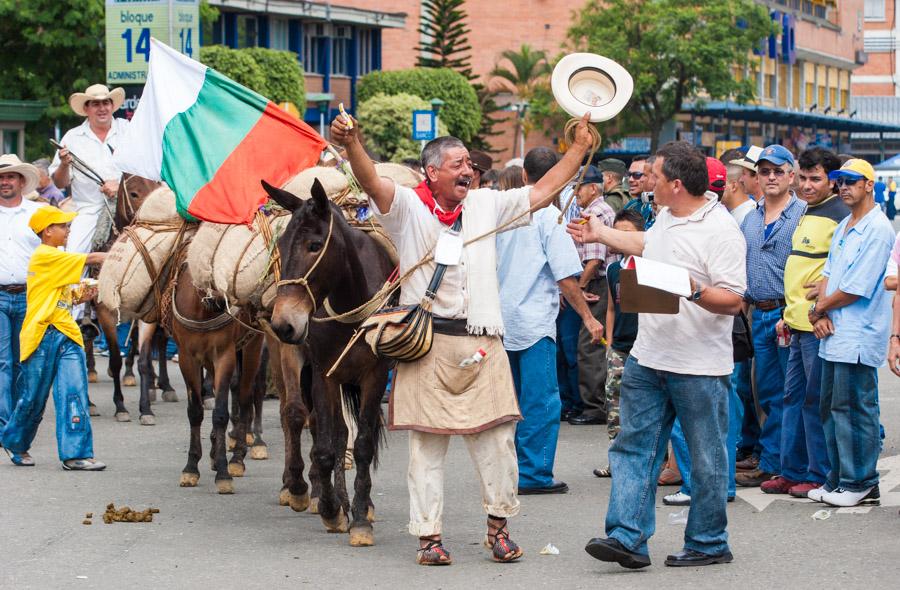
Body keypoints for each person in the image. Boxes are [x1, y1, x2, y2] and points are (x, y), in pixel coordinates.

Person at [329, 111, 595, 565]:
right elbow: (372, 182)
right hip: (426, 344)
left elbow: (544, 190)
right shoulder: (408, 207)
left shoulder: (487, 204)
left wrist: (579, 148)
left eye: (469, 163)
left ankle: (499, 531)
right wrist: (352, 143)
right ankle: (428, 539)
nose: (468, 170)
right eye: (457, 164)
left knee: (498, 444)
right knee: (426, 451)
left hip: (482, 342)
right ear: (432, 172)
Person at [570, 141, 746, 568]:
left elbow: (734, 300)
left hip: (699, 366)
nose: (647, 182)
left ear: (678, 184)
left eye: (655, 176)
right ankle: (627, 537)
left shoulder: (721, 229)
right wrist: (600, 234)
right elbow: (648, 244)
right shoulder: (665, 215)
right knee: (634, 448)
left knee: (705, 456)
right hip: (648, 358)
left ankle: (708, 541)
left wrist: (693, 288)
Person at [497, 147, 604, 495]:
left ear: (526, 176)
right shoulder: (548, 218)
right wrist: (588, 317)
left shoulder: (502, 211)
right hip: (533, 324)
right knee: (541, 402)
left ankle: (508, 469)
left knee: (509, 401)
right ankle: (533, 473)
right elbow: (566, 278)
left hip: (501, 320)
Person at [810, 159, 893, 507]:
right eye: (839, 181)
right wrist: (820, 314)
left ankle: (861, 481)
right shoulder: (845, 224)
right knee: (830, 408)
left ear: (869, 185)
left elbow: (856, 288)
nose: (844, 187)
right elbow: (828, 275)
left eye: (852, 181)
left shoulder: (879, 229)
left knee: (854, 409)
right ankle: (839, 479)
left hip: (858, 333)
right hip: (835, 331)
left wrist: (821, 308)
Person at [764, 148, 847, 498]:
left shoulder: (840, 215)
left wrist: (823, 309)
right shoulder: (806, 212)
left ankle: (818, 473)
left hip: (816, 325)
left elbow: (841, 272)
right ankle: (791, 470)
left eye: (816, 179)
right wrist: (787, 315)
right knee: (791, 399)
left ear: (832, 181)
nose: (807, 185)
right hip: (795, 323)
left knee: (815, 402)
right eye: (804, 177)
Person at [1, 206, 106, 470]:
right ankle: (14, 441)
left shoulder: (56, 258)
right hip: (42, 336)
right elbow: (91, 257)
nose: (68, 230)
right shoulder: (45, 256)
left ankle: (76, 454)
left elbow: (62, 295)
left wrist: (79, 296)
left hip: (67, 333)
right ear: (48, 231)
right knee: (33, 399)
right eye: (64, 226)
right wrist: (117, 254)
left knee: (75, 392)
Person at [736, 145, 806, 488]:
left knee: (791, 393)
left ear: (791, 175)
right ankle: (772, 459)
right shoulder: (751, 217)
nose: (771, 177)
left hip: (787, 313)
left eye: (778, 171)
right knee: (765, 392)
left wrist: (794, 311)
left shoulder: (803, 214)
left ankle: (782, 463)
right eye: (765, 172)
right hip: (758, 313)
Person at [592, 208, 643, 479]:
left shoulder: (649, 266)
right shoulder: (614, 269)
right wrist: (610, 343)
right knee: (614, 405)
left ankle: (653, 460)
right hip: (619, 347)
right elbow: (611, 308)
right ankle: (617, 459)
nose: (622, 239)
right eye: (617, 233)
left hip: (644, 346)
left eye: (628, 234)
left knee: (644, 405)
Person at [50, 84, 129, 254]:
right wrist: (64, 164)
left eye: (105, 103)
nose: (102, 108)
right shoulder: (72, 137)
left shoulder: (128, 130)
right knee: (74, 254)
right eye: (95, 104)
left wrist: (121, 185)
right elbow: (59, 183)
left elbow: (145, 170)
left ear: (112, 106)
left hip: (129, 206)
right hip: (89, 210)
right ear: (87, 108)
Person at [568, 166, 616, 426]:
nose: (575, 192)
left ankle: (594, 406)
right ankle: (593, 403)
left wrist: (581, 288)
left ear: (593, 188)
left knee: (590, 344)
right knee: (591, 343)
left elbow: (594, 260)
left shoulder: (596, 212)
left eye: (580, 187)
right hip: (596, 284)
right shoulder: (597, 209)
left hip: (595, 285)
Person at [0, 155, 42, 428]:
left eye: (10, 177)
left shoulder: (38, 213)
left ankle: (17, 417)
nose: (5, 182)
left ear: (22, 181)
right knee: (3, 360)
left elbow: (54, 251)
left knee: (23, 361)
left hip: (29, 294)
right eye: (1, 178)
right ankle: (5, 422)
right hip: (0, 294)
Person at [623, 155, 655, 227]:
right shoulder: (631, 205)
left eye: (637, 175)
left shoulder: (667, 206)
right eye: (629, 174)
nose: (630, 179)